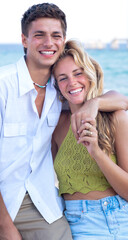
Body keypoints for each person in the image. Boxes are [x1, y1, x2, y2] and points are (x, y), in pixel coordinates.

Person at [0, 3, 128, 240]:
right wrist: (4, 226)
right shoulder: (0, 89)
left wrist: (95, 107)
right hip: (0, 206)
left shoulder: (77, 99)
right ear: (24, 40)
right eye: (39, 35)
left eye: (56, 35)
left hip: (79, 209)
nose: (48, 43)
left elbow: (119, 100)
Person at [52, 39, 128, 239]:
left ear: (90, 74)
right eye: (63, 78)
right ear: (57, 85)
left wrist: (96, 151)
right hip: (77, 223)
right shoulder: (57, 125)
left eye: (78, 73)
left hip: (121, 217)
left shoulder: (116, 118)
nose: (72, 82)